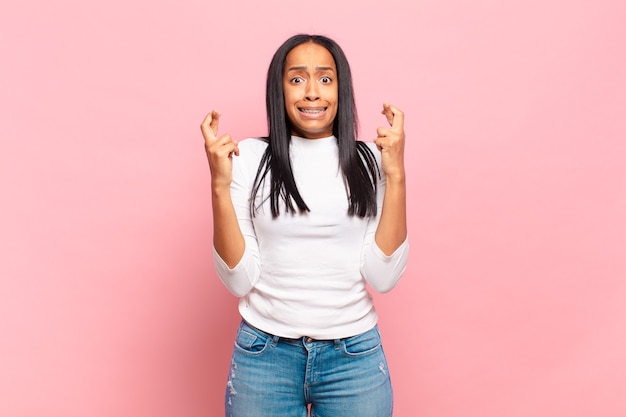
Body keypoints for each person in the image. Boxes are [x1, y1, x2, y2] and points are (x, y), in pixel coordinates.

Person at [201, 34, 409, 417]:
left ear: (341, 90)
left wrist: (395, 174)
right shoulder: (248, 157)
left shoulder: (368, 161)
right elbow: (238, 281)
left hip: (354, 358)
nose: (312, 92)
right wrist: (218, 184)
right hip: (265, 357)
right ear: (278, 90)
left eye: (325, 79)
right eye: (297, 79)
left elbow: (383, 277)